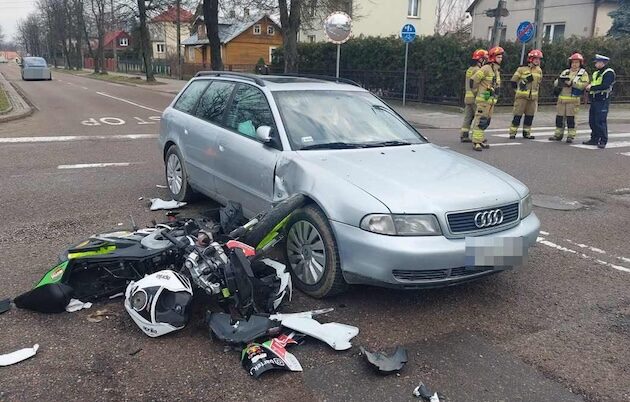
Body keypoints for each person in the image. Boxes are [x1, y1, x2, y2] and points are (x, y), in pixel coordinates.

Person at [548, 53, 589, 143]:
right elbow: (556, 82)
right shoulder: (565, 72)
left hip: (573, 100)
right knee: (559, 118)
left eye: (577, 62)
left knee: (571, 119)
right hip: (561, 100)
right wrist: (560, 82)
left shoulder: (583, 73)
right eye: (573, 62)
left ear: (580, 63)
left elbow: (584, 85)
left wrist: (572, 83)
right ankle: (558, 135)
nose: (574, 64)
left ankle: (570, 136)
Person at [470, 46, 504, 152]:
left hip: (491, 101)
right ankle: (476, 142)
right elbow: (473, 80)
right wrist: (476, 93)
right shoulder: (486, 68)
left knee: (486, 121)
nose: (501, 59)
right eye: (499, 57)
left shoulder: (496, 70)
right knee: (480, 120)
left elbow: (496, 85)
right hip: (484, 100)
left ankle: (480, 140)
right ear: (493, 58)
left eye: (501, 57)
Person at [508, 49, 543, 139]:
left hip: (532, 98)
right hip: (521, 98)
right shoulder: (521, 69)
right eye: (536, 59)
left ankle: (526, 133)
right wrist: (518, 91)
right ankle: (512, 133)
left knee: (529, 116)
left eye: (539, 59)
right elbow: (513, 81)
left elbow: (538, 83)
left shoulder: (539, 70)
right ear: (530, 59)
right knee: (517, 115)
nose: (537, 61)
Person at [584, 54, 616, 149]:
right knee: (592, 120)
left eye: (597, 62)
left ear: (602, 63)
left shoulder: (609, 72)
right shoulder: (596, 73)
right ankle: (594, 139)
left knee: (600, 121)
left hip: (603, 99)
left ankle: (603, 140)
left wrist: (591, 87)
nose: (595, 64)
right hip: (595, 99)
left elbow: (605, 85)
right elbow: (595, 83)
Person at [460, 49, 488, 143]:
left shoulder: (470, 69)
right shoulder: (477, 70)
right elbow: (476, 84)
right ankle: (478, 137)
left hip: (468, 97)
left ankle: (464, 135)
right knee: (479, 117)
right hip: (475, 97)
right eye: (484, 59)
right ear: (480, 59)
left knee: (468, 117)